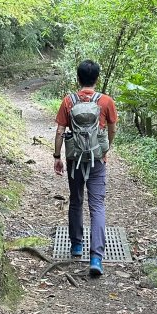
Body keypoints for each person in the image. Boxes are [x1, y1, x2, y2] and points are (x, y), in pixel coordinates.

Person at [53, 60, 118, 278]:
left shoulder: (68, 101)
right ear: (96, 78)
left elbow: (61, 130)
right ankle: (96, 257)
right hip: (96, 160)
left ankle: (76, 246)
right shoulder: (106, 101)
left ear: (78, 79)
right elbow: (112, 129)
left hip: (74, 160)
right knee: (97, 206)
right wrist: (104, 150)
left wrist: (57, 156)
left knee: (76, 200)